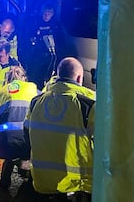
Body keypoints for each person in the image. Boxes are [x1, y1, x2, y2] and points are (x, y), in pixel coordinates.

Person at [25, 57, 96, 201]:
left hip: (41, 182)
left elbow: (27, 135)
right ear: (79, 77)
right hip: (78, 185)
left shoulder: (36, 101)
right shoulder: (87, 103)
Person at [0, 66, 39, 189]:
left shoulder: (1, 92)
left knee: (9, 154)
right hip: (27, 138)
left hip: (6, 141)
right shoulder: (32, 87)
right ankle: (31, 179)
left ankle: (5, 181)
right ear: (24, 77)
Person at [28, 4, 60, 89]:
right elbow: (30, 36)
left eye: (48, 14)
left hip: (51, 56)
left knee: (49, 77)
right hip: (38, 55)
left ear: (52, 14)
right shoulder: (36, 23)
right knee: (35, 77)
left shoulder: (55, 25)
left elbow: (59, 39)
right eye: (44, 14)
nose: (46, 16)